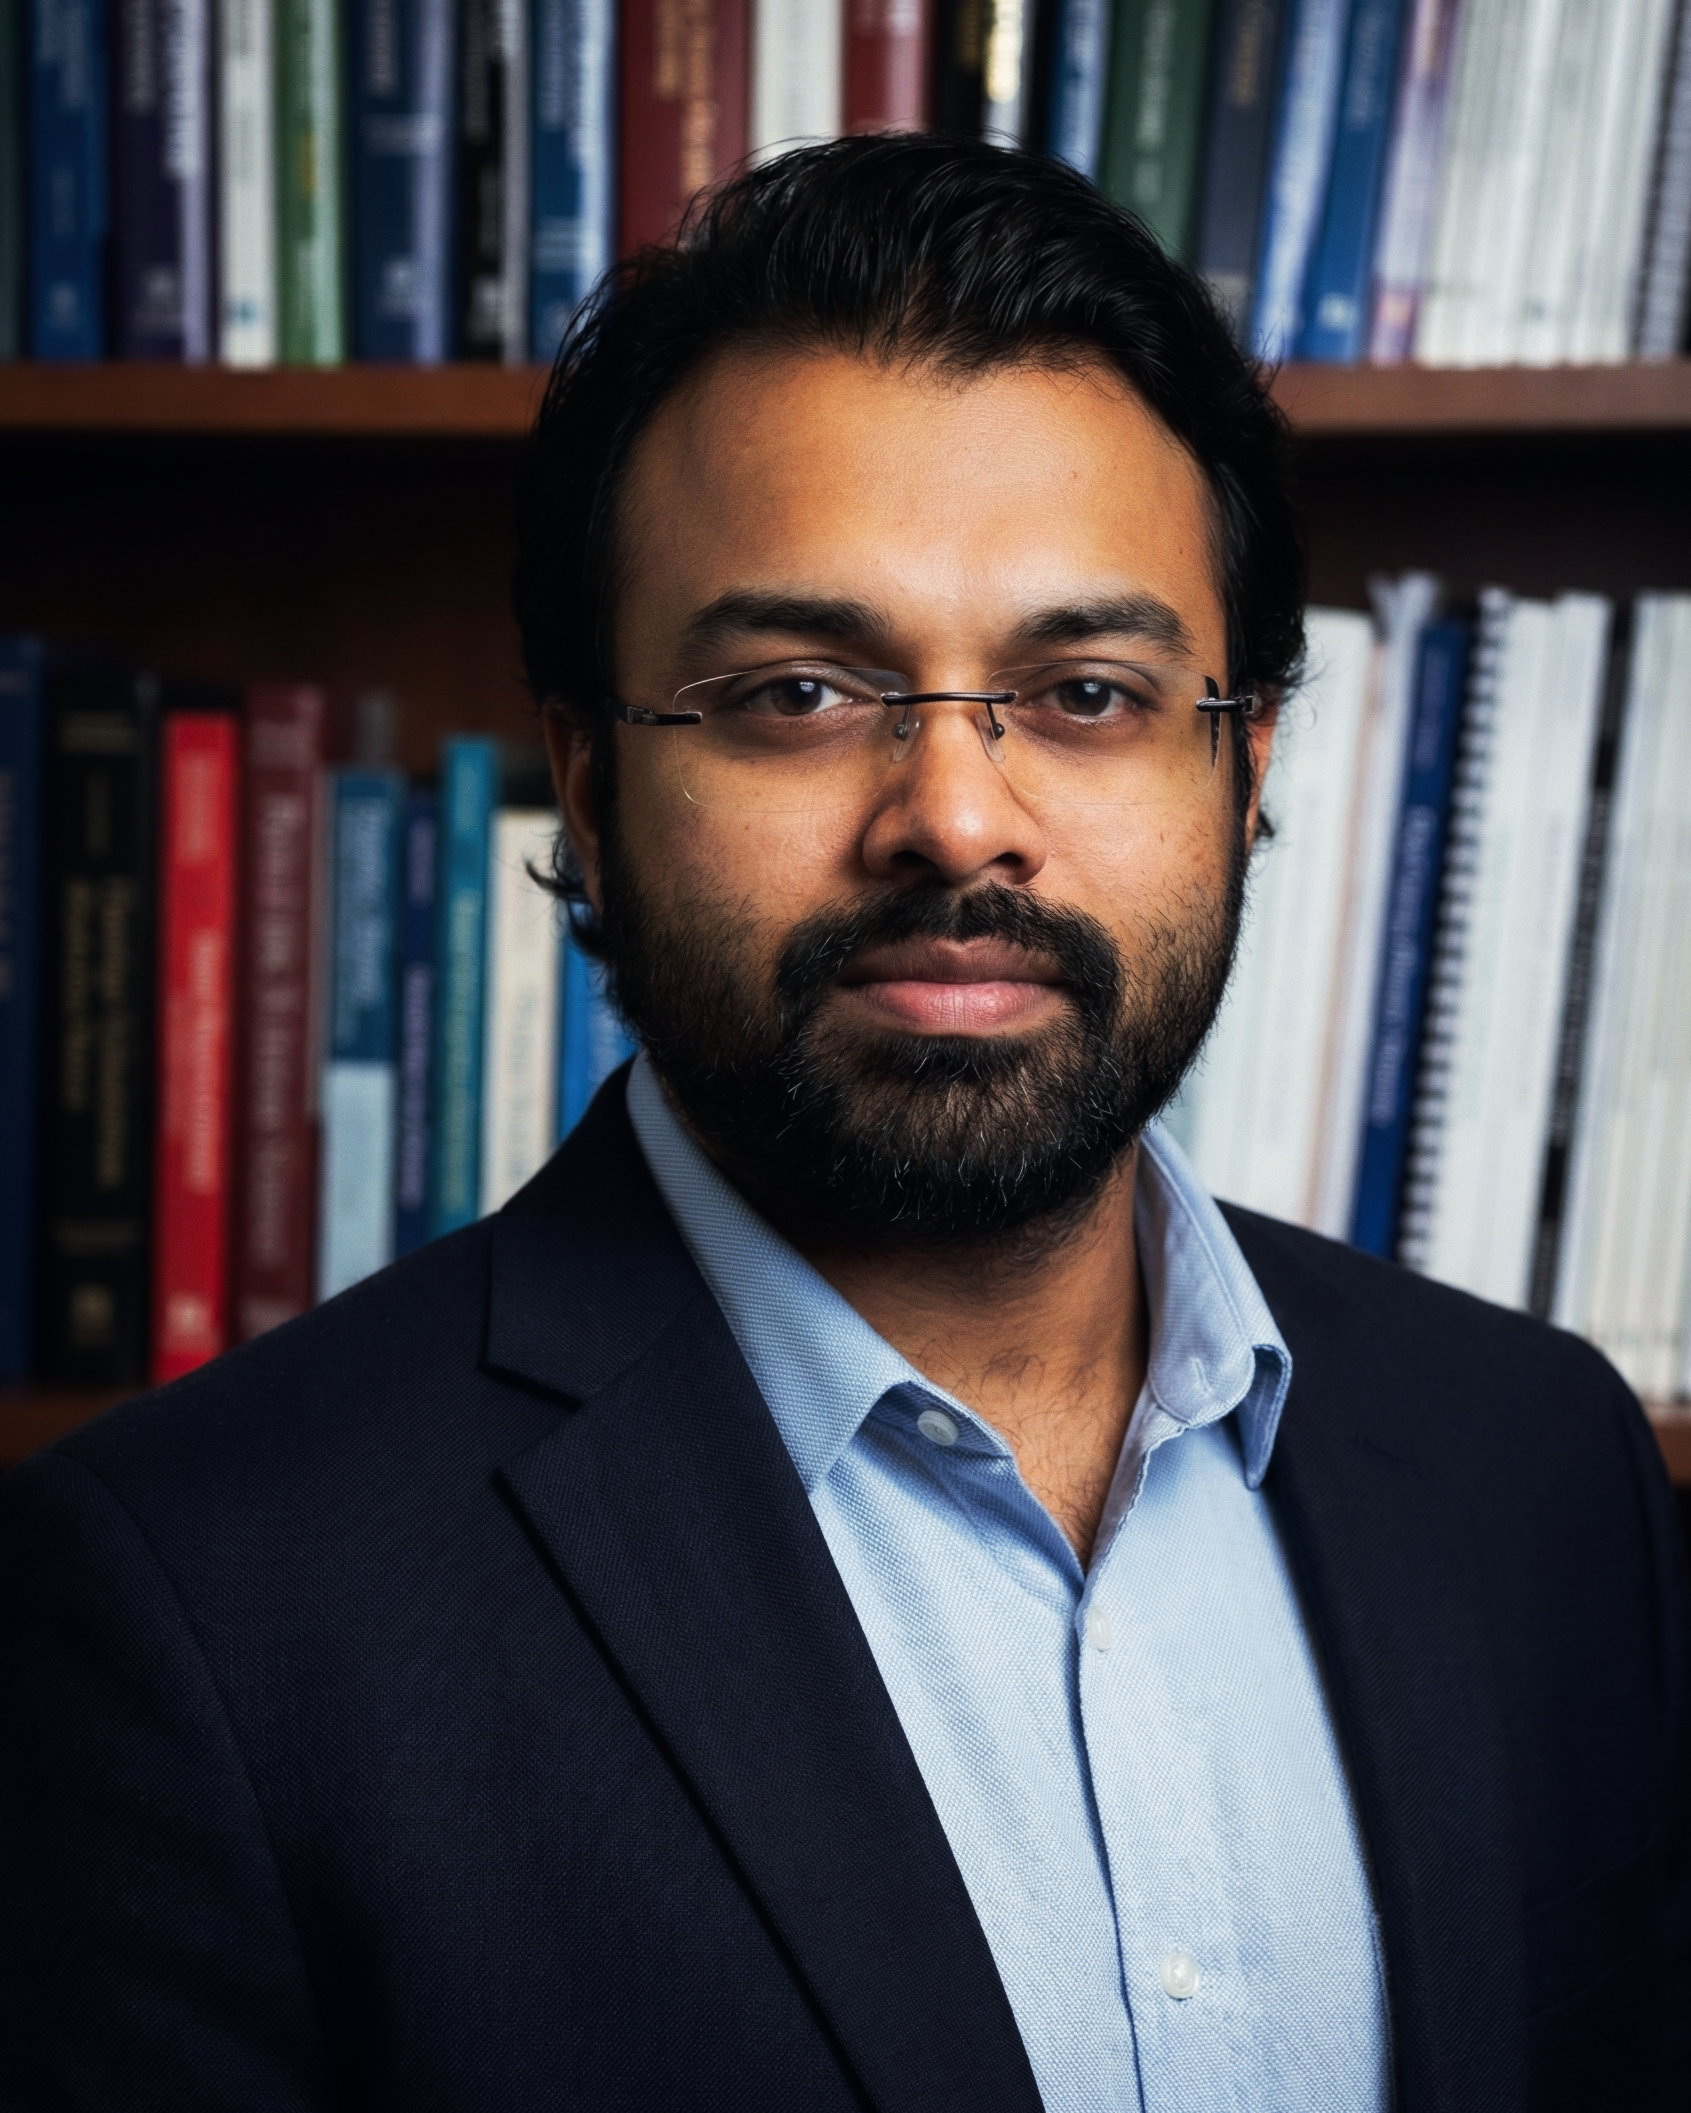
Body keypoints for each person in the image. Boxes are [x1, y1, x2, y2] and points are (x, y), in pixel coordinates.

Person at [2, 137, 1685, 2113]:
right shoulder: (190, 1612)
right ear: (588, 777)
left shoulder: (1541, 1471)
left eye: (1082, 689)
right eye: (797, 689)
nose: (955, 817)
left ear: (1243, 769)